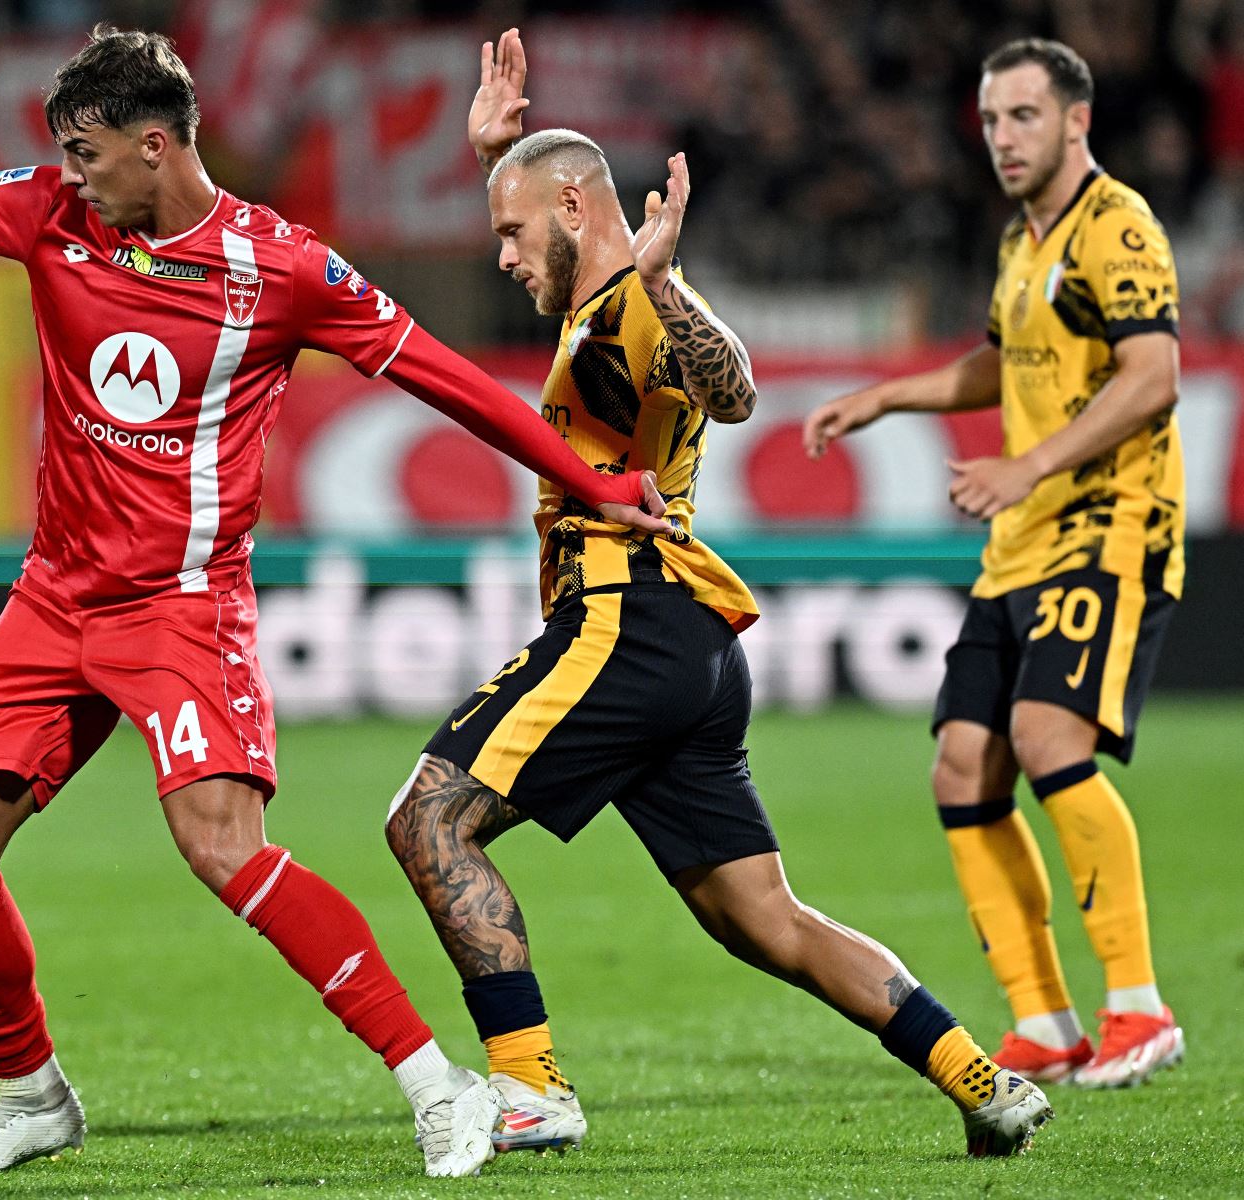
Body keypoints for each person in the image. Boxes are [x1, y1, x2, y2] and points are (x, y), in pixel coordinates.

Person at [0, 25, 672, 1178]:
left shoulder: (281, 269)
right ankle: (33, 1098)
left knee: (222, 848)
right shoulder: (44, 215)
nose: (68, 174)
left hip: (181, 607)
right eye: (60, 155)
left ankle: (442, 1088)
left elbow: (448, 377)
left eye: (84, 153)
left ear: (156, 144)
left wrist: (599, 485)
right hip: (52, 600)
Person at [383, 28, 1054, 1160]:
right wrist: (501, 155)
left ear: (576, 207)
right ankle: (977, 1076)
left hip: (623, 623)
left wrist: (655, 279)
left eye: (511, 229)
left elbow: (731, 387)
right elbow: (578, 276)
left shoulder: (641, 299)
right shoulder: (594, 301)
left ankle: (529, 1084)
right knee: (764, 921)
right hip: (685, 646)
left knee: (428, 820)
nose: (500, 255)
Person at [804, 38, 1185, 1090]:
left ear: (1077, 122)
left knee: (1045, 733)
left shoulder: (1118, 225)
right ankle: (1047, 1022)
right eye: (990, 120)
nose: (1004, 138)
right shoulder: (1024, 242)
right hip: (1022, 543)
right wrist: (888, 395)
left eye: (1024, 116)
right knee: (962, 765)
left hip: (1107, 522)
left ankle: (1138, 1007)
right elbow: (1003, 362)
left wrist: (1031, 465)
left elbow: (1153, 373)